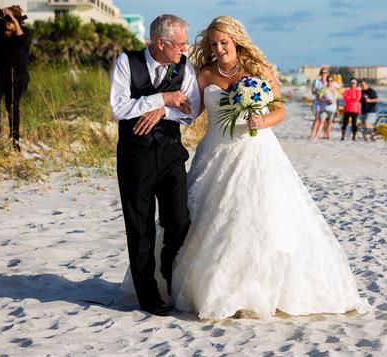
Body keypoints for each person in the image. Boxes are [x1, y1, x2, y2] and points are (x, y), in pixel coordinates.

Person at [119, 16, 370, 319]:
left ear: (236, 40)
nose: (219, 48)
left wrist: (261, 120)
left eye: (223, 42)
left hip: (257, 151)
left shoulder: (258, 70)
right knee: (205, 220)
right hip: (215, 151)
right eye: (213, 44)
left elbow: (279, 109)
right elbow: (190, 113)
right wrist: (162, 107)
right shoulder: (205, 73)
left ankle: (255, 290)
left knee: (260, 220)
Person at [110, 14, 200, 316]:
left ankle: (166, 262)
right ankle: (148, 295)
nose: (184, 50)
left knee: (179, 220)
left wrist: (162, 111)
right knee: (139, 226)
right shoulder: (127, 62)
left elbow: (190, 111)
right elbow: (120, 109)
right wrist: (162, 97)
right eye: (180, 44)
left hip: (172, 153)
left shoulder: (185, 67)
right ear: (161, 43)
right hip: (135, 156)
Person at [0, 5, 32, 151]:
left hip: (16, 75)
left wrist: (14, 22)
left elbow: (22, 41)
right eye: (6, 20)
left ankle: (15, 138)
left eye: (10, 21)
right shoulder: (2, 27)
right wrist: (1, 11)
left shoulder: (26, 32)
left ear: (18, 21)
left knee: (12, 106)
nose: (6, 23)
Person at [310, 74, 338, 140]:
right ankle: (316, 136)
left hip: (333, 109)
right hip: (324, 108)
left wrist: (338, 110)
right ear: (327, 81)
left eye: (331, 81)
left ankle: (327, 136)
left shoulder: (335, 89)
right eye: (328, 80)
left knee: (329, 123)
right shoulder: (323, 89)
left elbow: (337, 100)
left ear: (333, 81)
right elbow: (318, 97)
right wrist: (325, 100)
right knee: (322, 122)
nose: (329, 82)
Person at [308, 67, 329, 139]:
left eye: (325, 73)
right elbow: (313, 92)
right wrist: (318, 92)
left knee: (324, 120)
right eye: (323, 73)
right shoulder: (317, 81)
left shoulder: (328, 82)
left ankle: (320, 135)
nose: (324, 74)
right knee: (317, 119)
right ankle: (312, 134)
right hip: (318, 102)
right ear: (320, 74)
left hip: (326, 103)